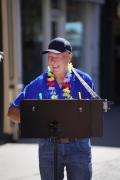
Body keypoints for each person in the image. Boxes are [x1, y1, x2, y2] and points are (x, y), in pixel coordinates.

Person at [8, 37, 95, 180]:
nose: (52, 61)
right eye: (50, 57)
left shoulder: (84, 81)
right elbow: (12, 112)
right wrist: (35, 120)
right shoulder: (39, 83)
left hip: (79, 146)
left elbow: (94, 113)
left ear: (68, 56)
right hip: (48, 147)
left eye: (57, 56)